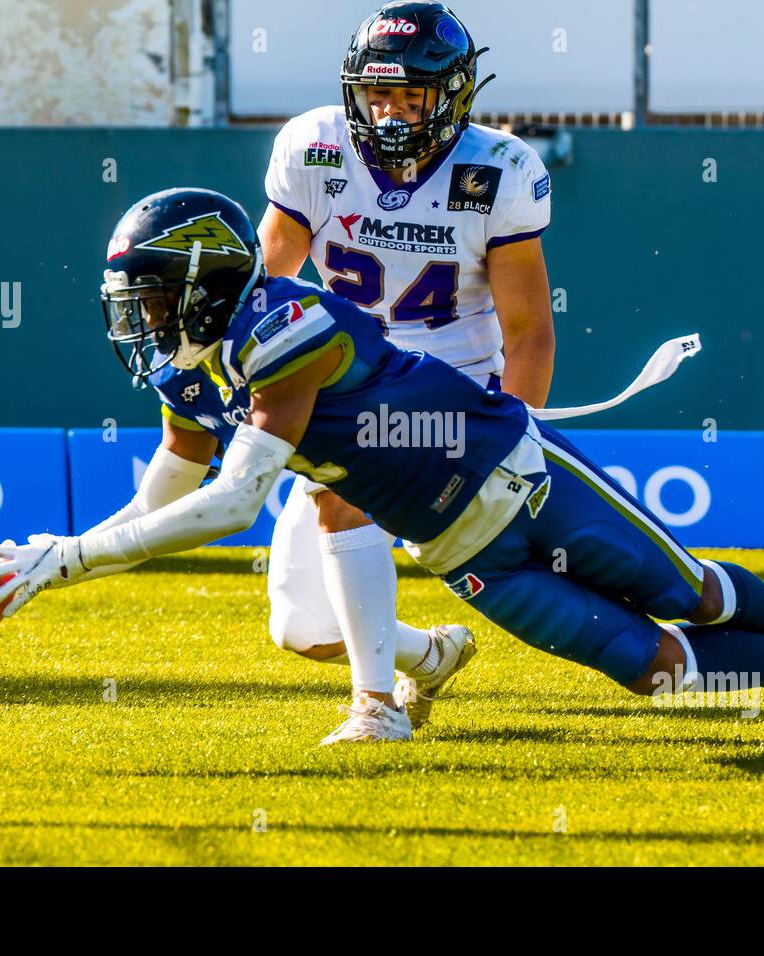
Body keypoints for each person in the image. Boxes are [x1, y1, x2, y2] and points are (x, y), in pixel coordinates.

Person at [0, 187, 764, 751]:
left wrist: (68, 560)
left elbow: (232, 501)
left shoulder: (282, 324)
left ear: (205, 282)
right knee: (657, 673)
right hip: (464, 548)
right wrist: (55, 557)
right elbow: (163, 495)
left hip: (523, 476)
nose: (136, 320)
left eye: (147, 297)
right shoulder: (194, 377)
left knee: (693, 594)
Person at [255, 1, 555, 741]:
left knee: (340, 502)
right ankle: (430, 655)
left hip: (452, 390)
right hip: (348, 375)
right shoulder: (314, 145)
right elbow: (266, 281)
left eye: (410, 95)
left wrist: (515, 436)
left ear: (452, 95)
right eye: (376, 94)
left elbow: (529, 332)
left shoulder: (500, 167)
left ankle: (376, 708)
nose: (389, 113)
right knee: (300, 629)